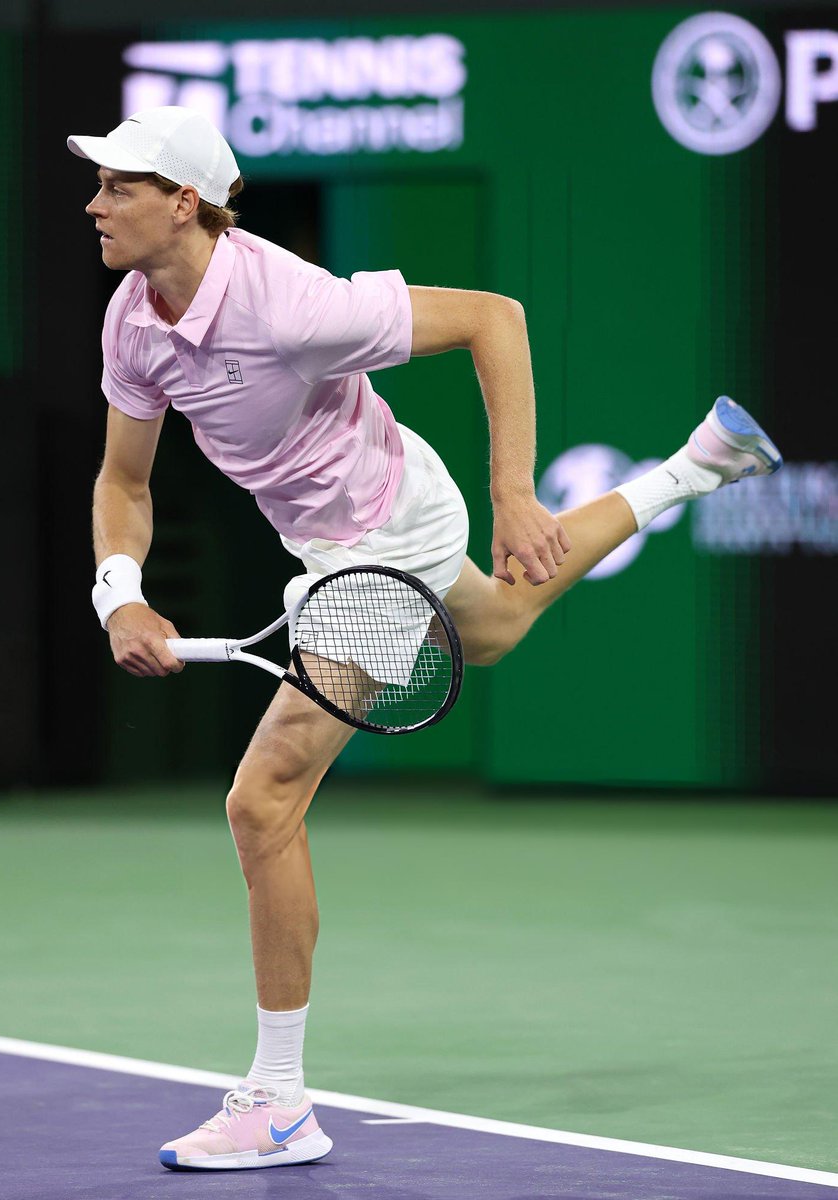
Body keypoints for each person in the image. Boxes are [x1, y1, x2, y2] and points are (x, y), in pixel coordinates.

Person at [68, 106, 782, 1172]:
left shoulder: (293, 305)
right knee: (492, 626)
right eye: (97, 183)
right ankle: (695, 465)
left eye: (119, 185)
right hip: (342, 527)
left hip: (382, 533)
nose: (94, 202)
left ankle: (277, 1100)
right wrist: (117, 592)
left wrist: (514, 493)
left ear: (183, 203)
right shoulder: (135, 315)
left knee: (260, 802)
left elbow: (494, 317)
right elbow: (124, 481)